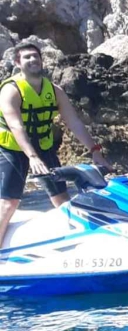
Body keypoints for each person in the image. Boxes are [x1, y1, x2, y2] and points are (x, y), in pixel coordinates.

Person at [0, 38, 112, 244]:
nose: (33, 60)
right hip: (13, 148)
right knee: (9, 203)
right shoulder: (11, 90)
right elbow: (16, 126)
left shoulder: (54, 91)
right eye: (27, 57)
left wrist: (95, 150)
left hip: (43, 146)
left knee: (61, 197)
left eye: (36, 56)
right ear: (17, 63)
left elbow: (74, 123)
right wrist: (32, 157)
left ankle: (80, 240)